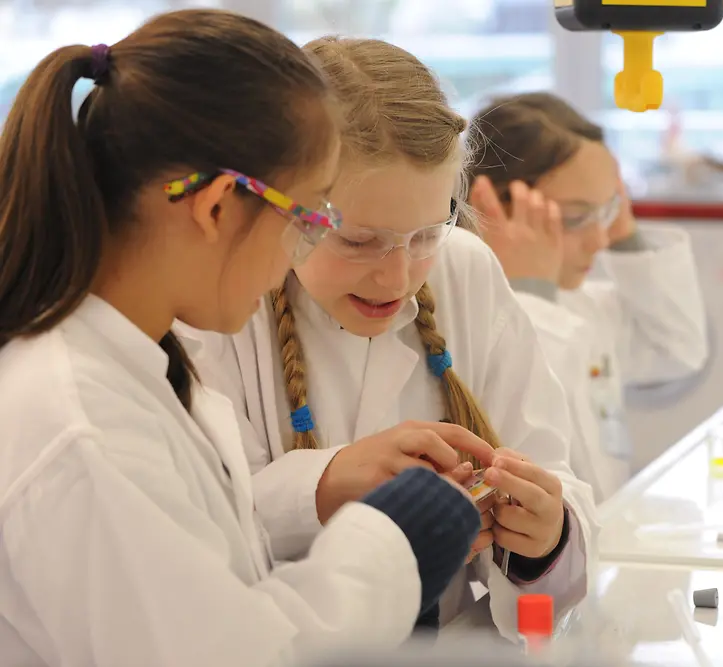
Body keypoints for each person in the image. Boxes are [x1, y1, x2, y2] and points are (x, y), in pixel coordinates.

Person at [0, 12, 492, 666]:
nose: (302, 251)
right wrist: (395, 536)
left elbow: (227, 612)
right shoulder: (84, 428)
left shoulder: (138, 371)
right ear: (219, 208)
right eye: (313, 219)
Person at [179, 37, 598, 637]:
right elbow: (196, 531)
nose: (397, 276)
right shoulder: (224, 304)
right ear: (293, 203)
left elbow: (552, 468)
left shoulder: (465, 271)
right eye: (357, 241)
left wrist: (546, 535)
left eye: (428, 234)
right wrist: (325, 486)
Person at [467, 92, 709, 501]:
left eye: (607, 211)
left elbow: (676, 348)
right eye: (578, 217)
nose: (600, 240)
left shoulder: (578, 306)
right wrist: (530, 296)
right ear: (491, 205)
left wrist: (623, 232)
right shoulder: (467, 318)